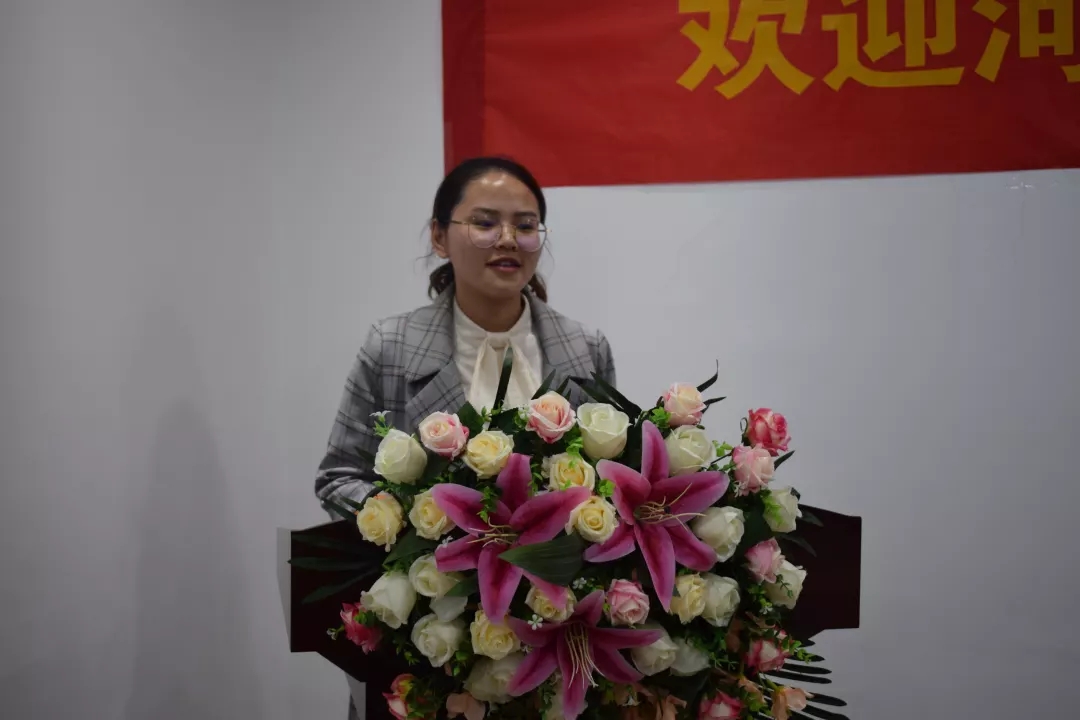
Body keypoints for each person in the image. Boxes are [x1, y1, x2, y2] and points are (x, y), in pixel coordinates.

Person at [312, 156, 616, 720]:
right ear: (439, 236)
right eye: (484, 222)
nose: (508, 239)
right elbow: (337, 478)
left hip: (552, 645)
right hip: (431, 646)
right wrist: (415, 524)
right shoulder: (391, 347)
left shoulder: (585, 349)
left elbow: (611, 483)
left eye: (526, 225)